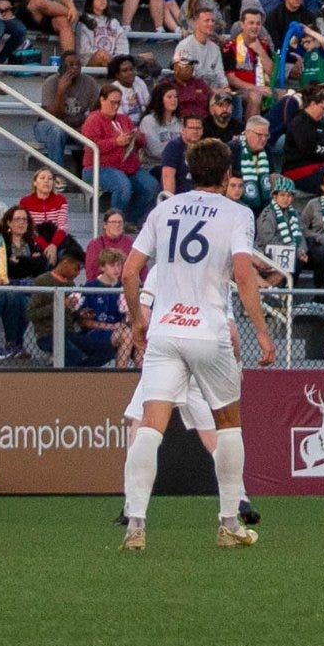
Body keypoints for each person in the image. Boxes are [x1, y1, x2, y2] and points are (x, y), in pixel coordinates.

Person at [116, 163, 274, 554]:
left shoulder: (164, 209)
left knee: (148, 428)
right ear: (224, 179)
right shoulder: (236, 213)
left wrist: (137, 322)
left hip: (166, 333)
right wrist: (262, 331)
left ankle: (135, 525)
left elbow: (129, 272)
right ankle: (229, 524)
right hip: (207, 332)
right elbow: (243, 272)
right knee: (228, 427)